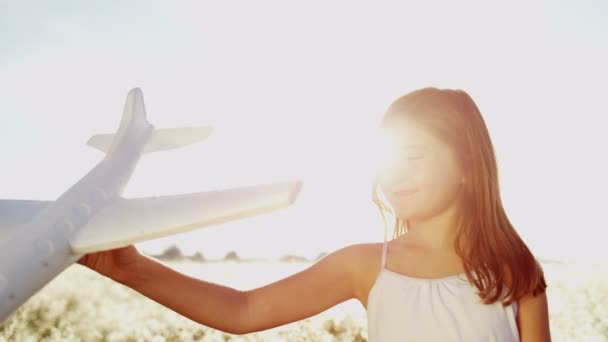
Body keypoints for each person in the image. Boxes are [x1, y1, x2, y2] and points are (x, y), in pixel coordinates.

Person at [78, 87, 551, 341]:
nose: (396, 174)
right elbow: (244, 312)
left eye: (415, 155)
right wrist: (132, 270)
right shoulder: (365, 265)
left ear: (468, 165)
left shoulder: (515, 271)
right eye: (390, 158)